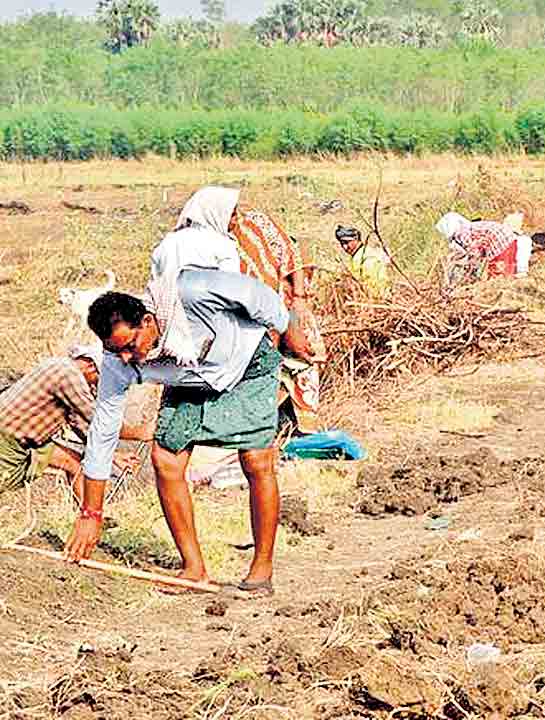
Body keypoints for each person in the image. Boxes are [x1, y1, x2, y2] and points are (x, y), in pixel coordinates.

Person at [67, 261, 309, 596]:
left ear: (149, 321)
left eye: (129, 345)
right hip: (190, 381)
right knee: (165, 458)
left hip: (247, 364)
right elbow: (102, 434)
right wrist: (91, 513)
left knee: (256, 460)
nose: (125, 357)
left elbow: (257, 295)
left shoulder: (193, 292)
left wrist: (289, 325)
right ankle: (193, 569)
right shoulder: (117, 363)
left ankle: (262, 567)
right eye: (115, 351)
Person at [225, 198, 327, 436]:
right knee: (263, 376)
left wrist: (299, 301)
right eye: (226, 216)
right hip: (253, 325)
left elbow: (293, 257)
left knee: (301, 364)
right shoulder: (214, 244)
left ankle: (298, 433)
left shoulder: (258, 224)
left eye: (234, 214)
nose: (232, 221)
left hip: (289, 308)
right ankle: (271, 433)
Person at [0, 346, 129, 499]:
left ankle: (90, 517)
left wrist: (111, 455)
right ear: (90, 366)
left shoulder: (66, 380)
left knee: (74, 463)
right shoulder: (67, 373)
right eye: (98, 379)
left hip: (24, 440)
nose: (95, 385)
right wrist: (140, 432)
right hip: (8, 439)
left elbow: (80, 426)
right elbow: (95, 417)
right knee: (4, 480)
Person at [436, 211, 520, 286]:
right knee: (509, 270)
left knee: (497, 275)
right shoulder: (469, 227)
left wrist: (467, 265)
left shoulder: (461, 233)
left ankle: (500, 293)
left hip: (499, 242)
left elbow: (474, 253)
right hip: (509, 238)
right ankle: (510, 291)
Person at [336, 225, 390, 299]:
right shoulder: (358, 254)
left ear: (356, 239)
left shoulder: (366, 257)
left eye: (347, 242)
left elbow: (372, 285)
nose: (344, 247)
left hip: (376, 299)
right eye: (342, 244)